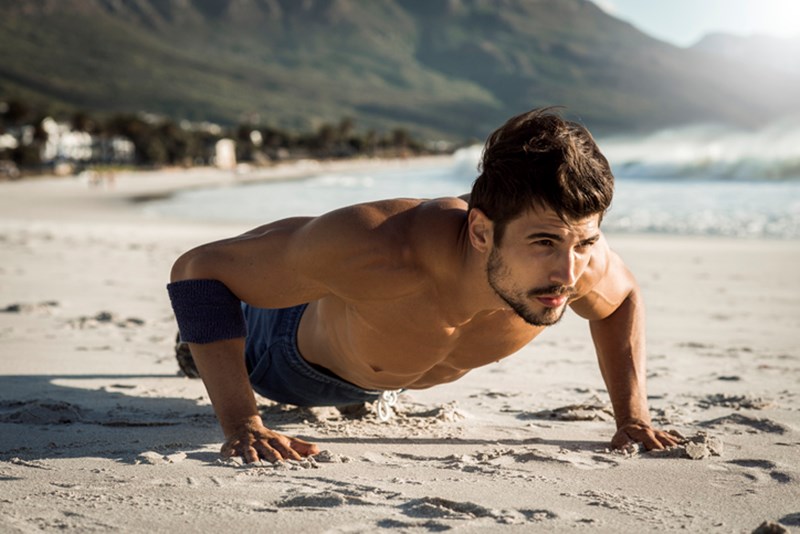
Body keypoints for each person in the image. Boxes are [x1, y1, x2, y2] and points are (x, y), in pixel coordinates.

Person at [168, 108, 679, 464]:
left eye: (584, 243)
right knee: (210, 337)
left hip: (378, 370)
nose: (569, 276)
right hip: (286, 354)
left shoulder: (577, 257)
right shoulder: (381, 246)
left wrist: (632, 417)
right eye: (543, 243)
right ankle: (192, 352)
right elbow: (198, 270)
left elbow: (622, 299)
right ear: (481, 231)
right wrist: (242, 423)